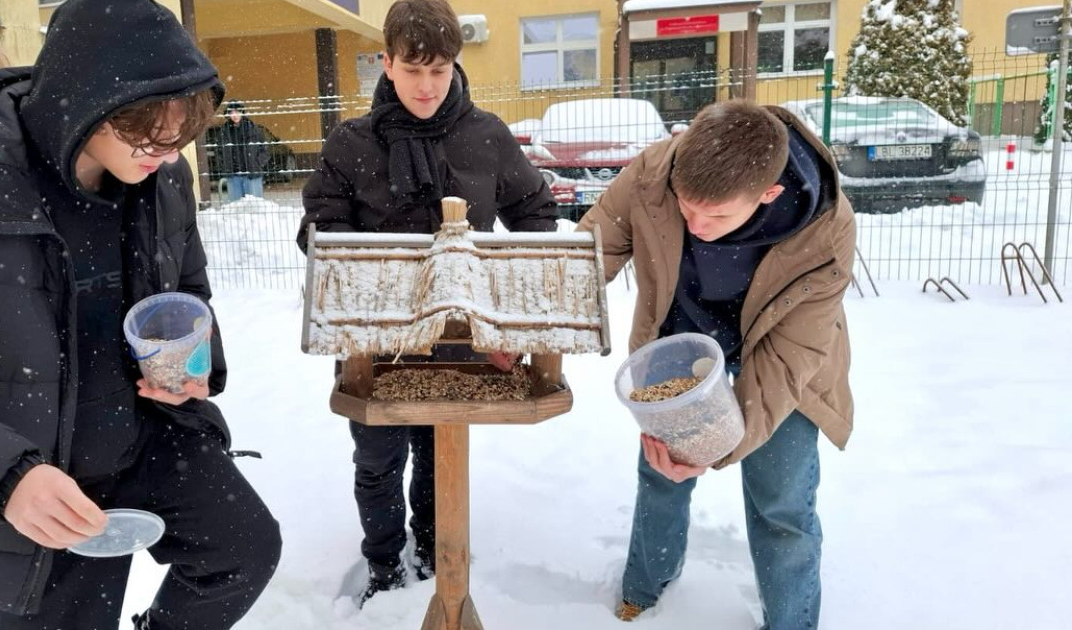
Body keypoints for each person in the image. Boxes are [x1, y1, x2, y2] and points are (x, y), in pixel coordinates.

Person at [0, 1, 281, 629]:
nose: (171, 156)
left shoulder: (159, 180)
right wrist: (5, 479)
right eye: (151, 135)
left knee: (243, 551)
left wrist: (195, 362)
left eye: (181, 137)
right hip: (31, 475)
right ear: (89, 106)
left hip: (145, 438)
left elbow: (186, 291)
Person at [297, 0, 559, 606]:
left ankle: (436, 550)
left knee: (442, 452)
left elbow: (536, 215)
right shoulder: (351, 142)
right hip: (375, 339)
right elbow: (318, 229)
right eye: (412, 70)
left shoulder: (486, 136)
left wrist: (510, 312)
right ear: (386, 63)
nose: (426, 86)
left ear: (455, 66)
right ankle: (385, 566)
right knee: (378, 459)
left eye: (438, 71)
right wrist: (365, 263)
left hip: (461, 335)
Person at [577, 99, 856, 629]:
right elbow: (588, 256)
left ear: (769, 194)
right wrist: (532, 327)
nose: (698, 225)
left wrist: (716, 448)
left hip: (777, 350)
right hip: (681, 337)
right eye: (687, 208)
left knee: (781, 498)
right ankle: (643, 589)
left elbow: (788, 360)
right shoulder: (654, 174)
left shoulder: (826, 228)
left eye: (718, 214)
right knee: (662, 472)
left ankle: (790, 621)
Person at [209, 101, 271, 200]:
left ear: (242, 112)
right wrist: (223, 165)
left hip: (252, 174)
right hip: (233, 175)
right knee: (236, 205)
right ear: (228, 115)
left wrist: (257, 162)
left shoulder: (254, 130)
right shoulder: (223, 132)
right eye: (231, 112)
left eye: (237, 112)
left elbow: (265, 149)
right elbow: (218, 151)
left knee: (255, 204)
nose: (235, 115)